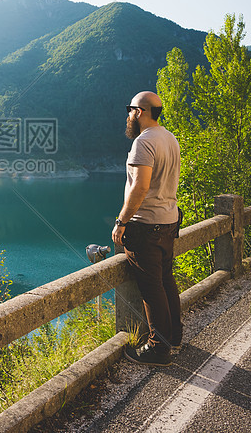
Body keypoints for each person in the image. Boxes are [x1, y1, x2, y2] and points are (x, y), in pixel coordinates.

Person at [112, 91, 182, 367]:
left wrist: (121, 222)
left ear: (140, 112)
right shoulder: (169, 138)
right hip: (168, 221)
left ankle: (158, 349)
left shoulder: (143, 143)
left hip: (146, 225)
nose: (128, 115)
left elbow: (140, 187)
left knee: (152, 289)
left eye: (130, 109)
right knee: (166, 281)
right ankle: (173, 338)